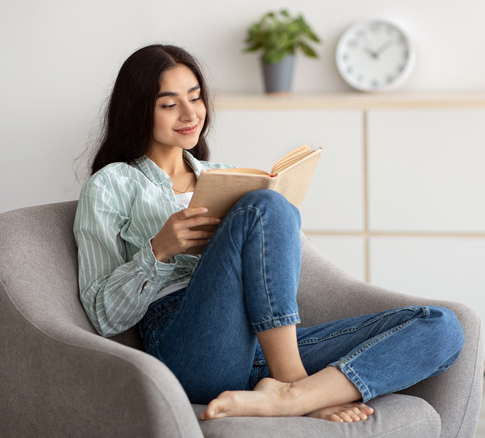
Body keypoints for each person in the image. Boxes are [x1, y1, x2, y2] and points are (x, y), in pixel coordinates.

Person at [74, 44, 465, 423]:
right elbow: (102, 316)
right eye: (169, 104)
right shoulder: (111, 184)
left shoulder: (225, 175)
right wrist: (158, 250)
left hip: (264, 344)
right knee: (267, 206)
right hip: (188, 346)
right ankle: (294, 383)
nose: (190, 113)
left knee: (442, 326)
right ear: (140, 111)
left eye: (195, 97)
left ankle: (291, 397)